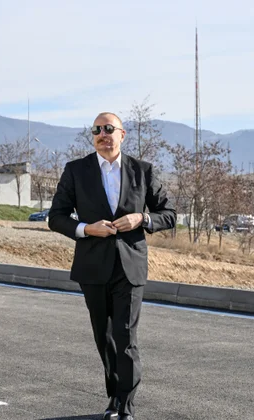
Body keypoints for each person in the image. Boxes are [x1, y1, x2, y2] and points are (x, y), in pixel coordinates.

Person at [48, 112, 176, 420]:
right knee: (103, 336)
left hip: (130, 266)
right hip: (92, 266)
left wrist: (141, 219)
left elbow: (169, 214)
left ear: (122, 134)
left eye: (109, 129)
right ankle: (114, 396)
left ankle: (125, 406)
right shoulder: (76, 171)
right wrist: (86, 229)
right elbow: (57, 217)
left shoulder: (142, 171)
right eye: (97, 130)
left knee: (125, 335)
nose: (103, 134)